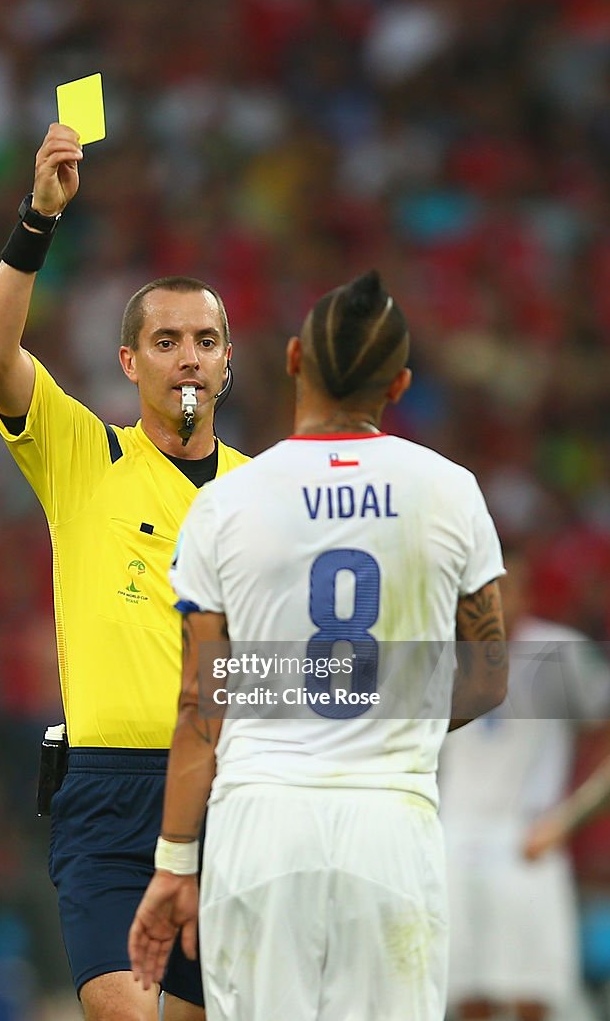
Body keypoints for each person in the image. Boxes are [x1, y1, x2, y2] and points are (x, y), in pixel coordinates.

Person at [128, 269, 508, 1021]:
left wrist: (175, 862)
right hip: (390, 825)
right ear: (397, 384)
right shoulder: (451, 490)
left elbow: (202, 703)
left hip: (260, 825)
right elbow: (489, 675)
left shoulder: (226, 503)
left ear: (296, 357)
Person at [0, 123, 249, 1021]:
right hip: (106, 791)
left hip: (226, 796)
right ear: (131, 362)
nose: (189, 357)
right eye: (167, 341)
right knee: (117, 1008)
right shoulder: (85, 456)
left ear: (227, 362)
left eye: (205, 340)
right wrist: (37, 221)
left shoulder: (264, 492)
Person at [439, 549, 610, 1021]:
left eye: (504, 587)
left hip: (526, 833)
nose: (493, 600)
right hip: (452, 834)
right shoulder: (442, 653)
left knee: (530, 994)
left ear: (527, 592)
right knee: (465, 993)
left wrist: (568, 818)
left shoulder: (561, 651)